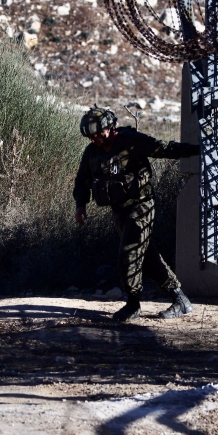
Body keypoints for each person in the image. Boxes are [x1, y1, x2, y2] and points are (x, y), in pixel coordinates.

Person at [73, 107, 200, 322]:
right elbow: (82, 180)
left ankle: (133, 304)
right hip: (119, 212)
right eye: (90, 136)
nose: (95, 139)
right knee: (148, 258)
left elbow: (163, 148)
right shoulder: (92, 152)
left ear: (109, 128)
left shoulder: (129, 141)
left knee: (129, 254)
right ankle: (180, 299)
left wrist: (197, 149)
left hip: (141, 207)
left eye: (98, 134)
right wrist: (80, 205)